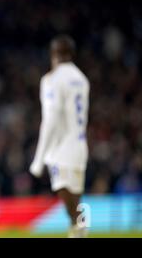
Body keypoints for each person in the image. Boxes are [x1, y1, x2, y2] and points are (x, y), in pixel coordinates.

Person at [29, 35, 90, 238]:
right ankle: (79, 229)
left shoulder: (51, 79)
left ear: (53, 54)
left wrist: (38, 159)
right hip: (80, 145)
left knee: (65, 192)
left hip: (61, 147)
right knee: (74, 195)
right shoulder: (82, 78)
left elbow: (51, 119)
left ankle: (78, 226)